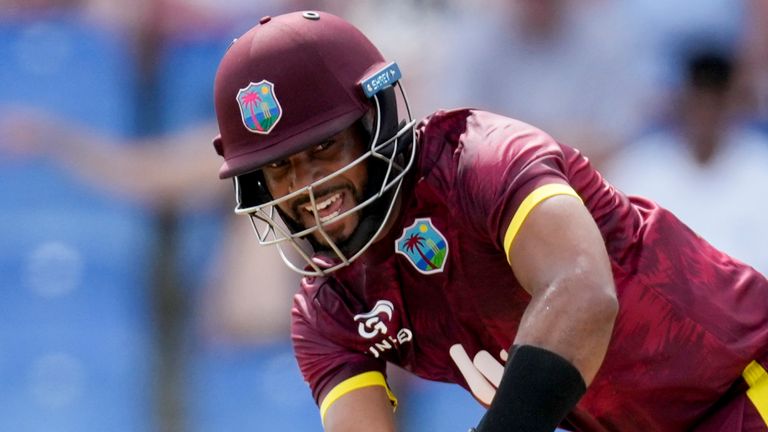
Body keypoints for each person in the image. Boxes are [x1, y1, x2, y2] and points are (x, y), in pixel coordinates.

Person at [210, 11, 768, 432]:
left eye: (323, 149)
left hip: (745, 389)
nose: (304, 185)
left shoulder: (481, 160)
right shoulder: (325, 311)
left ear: (375, 124)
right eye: (279, 168)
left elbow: (582, 293)